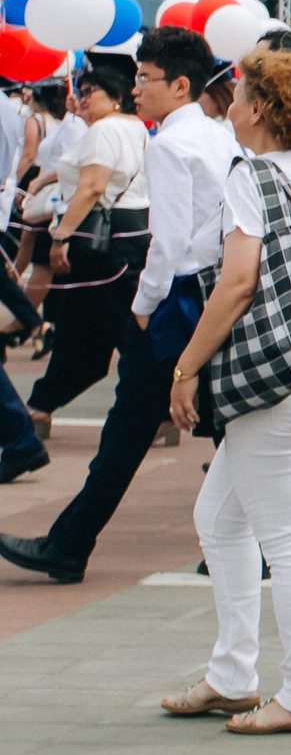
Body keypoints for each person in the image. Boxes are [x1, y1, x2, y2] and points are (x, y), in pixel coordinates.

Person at [161, 47, 291, 735]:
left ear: (262, 109)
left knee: (287, 539)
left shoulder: (252, 175)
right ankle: (231, 673)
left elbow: (237, 280)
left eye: (241, 95)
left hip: (273, 376)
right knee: (220, 518)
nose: (233, 106)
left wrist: (187, 366)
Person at [0, 30, 230, 586]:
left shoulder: (173, 144)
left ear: (179, 85)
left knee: (137, 426)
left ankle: (68, 545)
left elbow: (170, 242)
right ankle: (68, 542)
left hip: (176, 301)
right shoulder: (217, 137)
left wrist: (144, 307)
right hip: (209, 294)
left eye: (145, 79)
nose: (136, 88)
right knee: (220, 422)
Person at [21, 56, 153, 432]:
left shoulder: (105, 130)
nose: (79, 97)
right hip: (123, 236)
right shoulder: (132, 128)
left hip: (101, 241)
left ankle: (164, 400)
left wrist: (60, 235)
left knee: (122, 330)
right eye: (78, 90)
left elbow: (93, 186)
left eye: (88, 90)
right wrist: (44, 179)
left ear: (115, 96)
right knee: (81, 326)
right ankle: (41, 404)